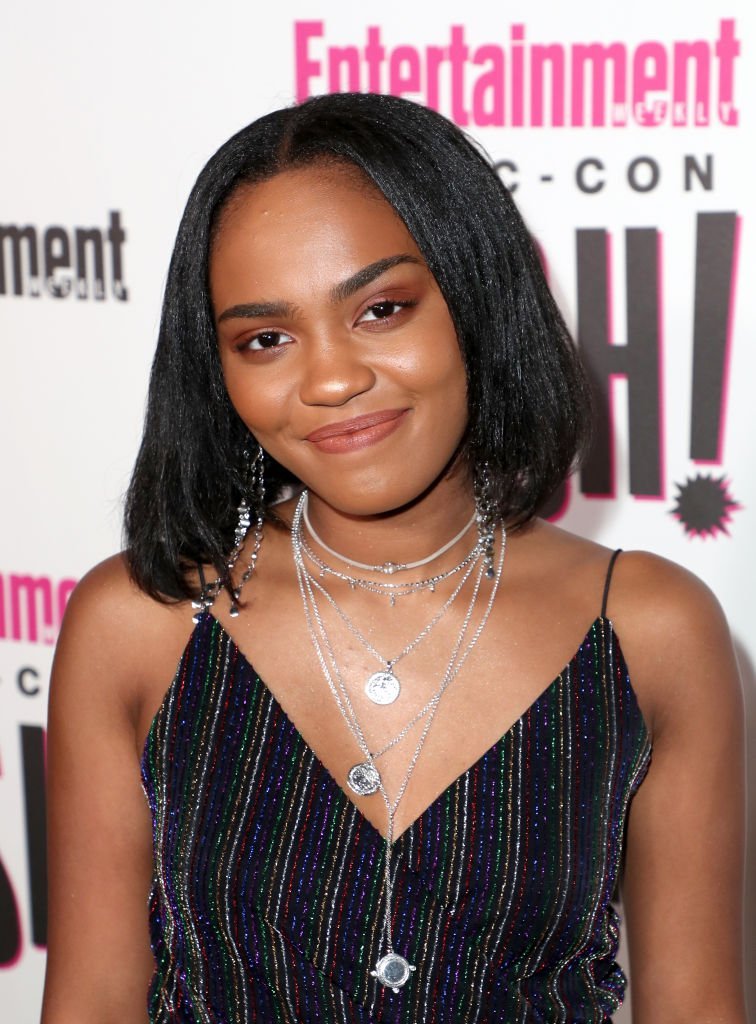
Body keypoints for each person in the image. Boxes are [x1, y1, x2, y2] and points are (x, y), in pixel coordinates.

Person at [41, 93, 745, 1024]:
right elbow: (90, 1002)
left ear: (477, 297)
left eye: (381, 309)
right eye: (266, 338)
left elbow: (697, 1007)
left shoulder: (651, 629)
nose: (331, 378)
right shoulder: (140, 622)